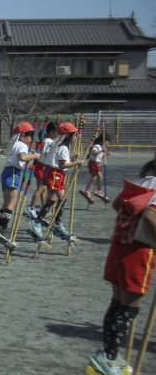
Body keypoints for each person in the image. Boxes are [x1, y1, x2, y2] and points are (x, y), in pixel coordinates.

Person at [86, 159, 156, 375]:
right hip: (138, 251)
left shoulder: (139, 182)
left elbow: (117, 205)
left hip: (119, 246)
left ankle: (109, 354)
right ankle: (108, 357)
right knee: (128, 308)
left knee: (117, 305)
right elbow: (151, 219)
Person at [29, 122, 83, 246]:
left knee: (58, 199)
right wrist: (77, 163)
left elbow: (61, 159)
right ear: (68, 136)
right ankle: (42, 222)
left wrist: (72, 158)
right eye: (74, 135)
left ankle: (53, 222)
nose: (76, 138)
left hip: (55, 173)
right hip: (55, 174)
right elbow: (62, 164)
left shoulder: (58, 144)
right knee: (57, 198)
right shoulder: (62, 146)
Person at [0, 122, 41, 247]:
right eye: (30, 136)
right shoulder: (22, 145)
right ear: (24, 135)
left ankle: (0, 227)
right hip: (13, 173)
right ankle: (2, 228)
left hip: (7, 172)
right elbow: (23, 158)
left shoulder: (15, 144)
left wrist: (27, 164)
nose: (31, 139)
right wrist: (35, 155)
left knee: (7, 202)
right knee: (12, 203)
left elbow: (19, 160)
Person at [24, 121, 58, 219]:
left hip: (42, 166)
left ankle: (44, 208)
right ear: (52, 132)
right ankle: (31, 207)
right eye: (56, 132)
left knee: (44, 189)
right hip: (43, 166)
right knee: (41, 188)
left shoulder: (46, 141)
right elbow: (46, 154)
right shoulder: (49, 142)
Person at [80, 133, 111, 204]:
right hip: (93, 163)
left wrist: (105, 154)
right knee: (100, 176)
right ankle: (98, 191)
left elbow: (100, 156)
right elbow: (93, 153)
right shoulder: (97, 146)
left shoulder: (101, 147)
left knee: (93, 178)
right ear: (103, 140)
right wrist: (101, 151)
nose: (107, 143)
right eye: (107, 141)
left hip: (96, 163)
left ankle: (86, 190)